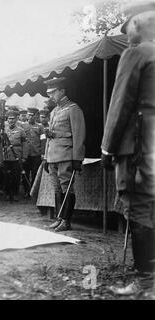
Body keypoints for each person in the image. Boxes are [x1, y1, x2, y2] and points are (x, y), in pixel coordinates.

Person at [101, 2, 155, 278]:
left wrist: (107, 147)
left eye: (127, 27)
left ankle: (145, 272)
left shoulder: (136, 53)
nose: (126, 34)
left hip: (139, 143)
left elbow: (120, 104)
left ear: (137, 24)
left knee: (138, 205)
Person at [42, 77, 86, 232]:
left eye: (53, 92)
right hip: (53, 155)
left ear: (62, 91)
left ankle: (67, 221)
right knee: (57, 188)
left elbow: (79, 135)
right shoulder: (54, 111)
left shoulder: (73, 108)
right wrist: (46, 158)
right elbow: (50, 136)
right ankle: (59, 218)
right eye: (49, 93)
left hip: (66, 155)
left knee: (67, 188)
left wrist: (77, 158)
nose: (50, 96)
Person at [4, 110, 28, 202]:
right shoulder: (4, 130)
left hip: (17, 155)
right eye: (9, 119)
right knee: (6, 176)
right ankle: (7, 193)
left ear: (16, 119)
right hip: (6, 155)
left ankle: (14, 194)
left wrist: (24, 156)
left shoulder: (21, 130)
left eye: (13, 119)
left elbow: (25, 144)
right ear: (7, 119)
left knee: (16, 176)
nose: (11, 121)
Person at [22, 107, 44, 191]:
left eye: (32, 115)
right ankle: (26, 190)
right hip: (26, 154)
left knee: (35, 173)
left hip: (36, 154)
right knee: (25, 173)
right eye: (29, 115)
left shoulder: (40, 127)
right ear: (27, 116)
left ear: (36, 116)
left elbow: (43, 140)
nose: (30, 117)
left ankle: (33, 190)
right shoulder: (22, 126)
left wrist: (42, 153)